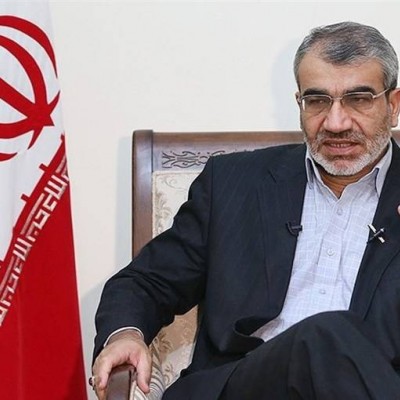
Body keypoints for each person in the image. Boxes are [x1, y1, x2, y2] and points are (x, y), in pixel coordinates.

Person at [92, 21, 400, 399]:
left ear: (393, 105)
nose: (336, 123)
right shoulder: (234, 183)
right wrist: (124, 334)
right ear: (300, 103)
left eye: (358, 99)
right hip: (239, 386)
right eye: (318, 101)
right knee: (324, 335)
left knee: (333, 337)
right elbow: (146, 282)